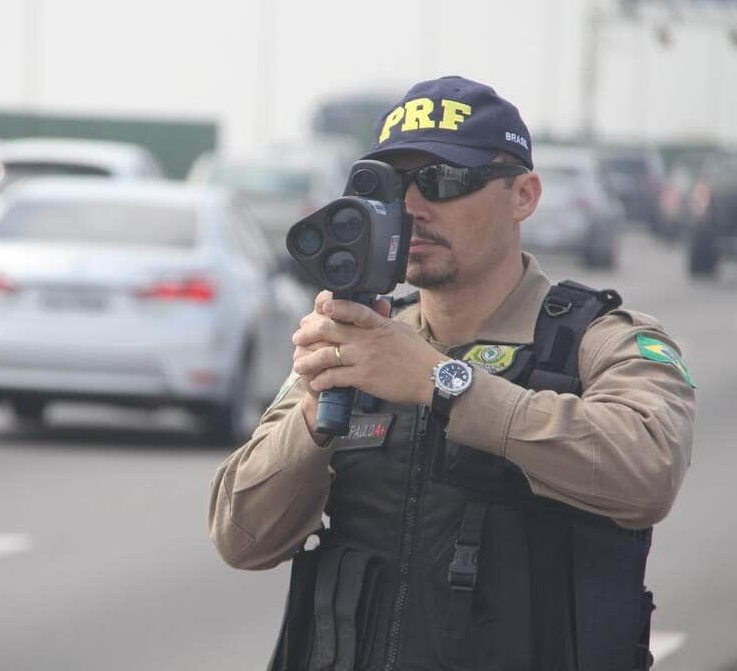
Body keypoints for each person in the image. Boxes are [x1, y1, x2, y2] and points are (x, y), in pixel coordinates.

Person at [208, 76, 695, 671]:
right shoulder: (362, 339)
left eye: (444, 181)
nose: (413, 207)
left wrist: (443, 384)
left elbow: (647, 471)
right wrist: (316, 409)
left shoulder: (599, 339)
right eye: (395, 184)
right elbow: (241, 537)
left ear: (524, 195)